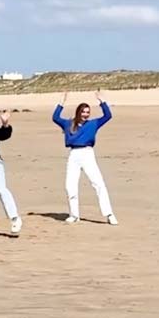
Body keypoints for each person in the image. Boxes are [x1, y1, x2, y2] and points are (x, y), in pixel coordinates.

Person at [53, 91, 117, 225]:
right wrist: (61, 103)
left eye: (87, 112)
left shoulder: (93, 124)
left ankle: (109, 214)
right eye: (83, 112)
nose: (85, 114)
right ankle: (74, 214)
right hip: (74, 154)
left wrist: (102, 101)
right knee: (70, 185)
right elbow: (55, 117)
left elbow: (108, 116)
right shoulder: (69, 124)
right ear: (78, 112)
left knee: (98, 183)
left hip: (87, 154)